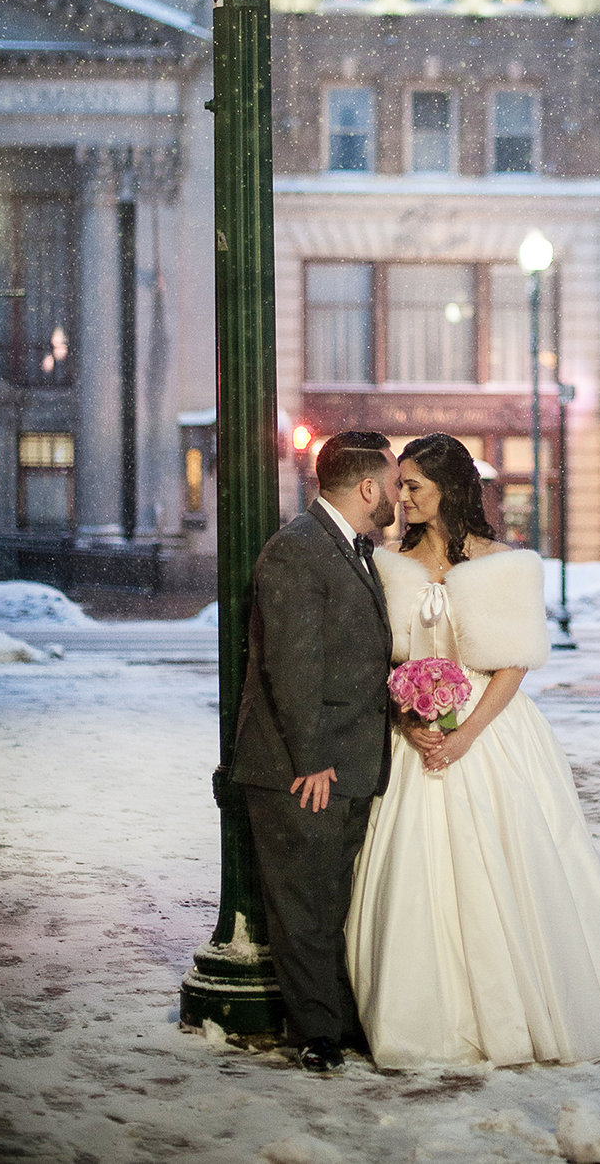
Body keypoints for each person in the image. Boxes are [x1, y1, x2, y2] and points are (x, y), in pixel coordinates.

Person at [345, 433, 600, 1070]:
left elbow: (514, 664)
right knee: (415, 870)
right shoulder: (386, 564)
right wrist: (408, 719)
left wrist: (466, 735)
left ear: (450, 489)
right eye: (399, 484)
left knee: (509, 864)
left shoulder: (507, 564)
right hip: (415, 733)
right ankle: (422, 1017)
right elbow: (379, 659)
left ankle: (526, 1008)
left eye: (414, 485)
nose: (401, 496)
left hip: (490, 731)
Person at [231, 430, 400, 1075]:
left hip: (343, 761)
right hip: (305, 768)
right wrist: (312, 759)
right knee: (303, 902)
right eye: (390, 483)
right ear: (366, 488)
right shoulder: (298, 551)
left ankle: (333, 1020)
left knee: (330, 898)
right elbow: (291, 664)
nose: (395, 497)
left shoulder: (348, 548)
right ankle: (317, 1035)